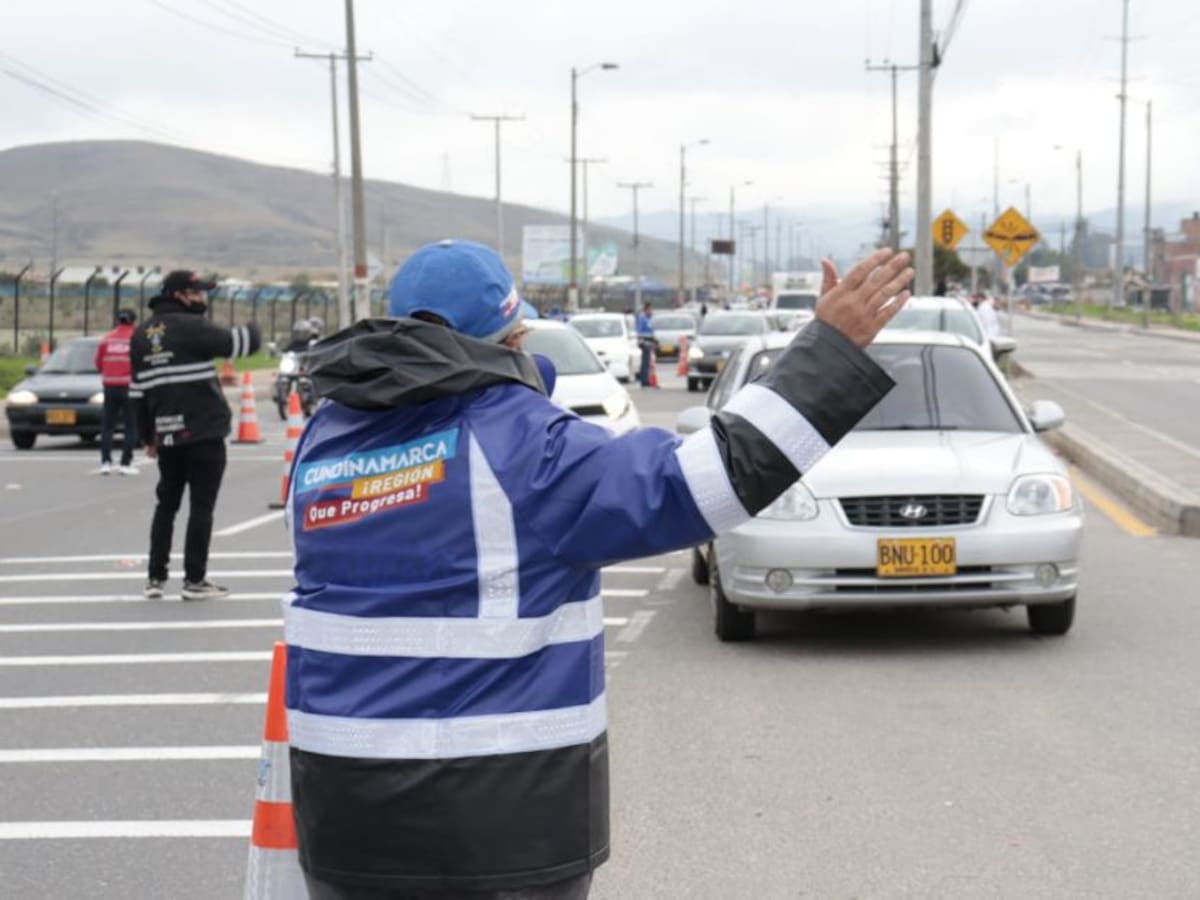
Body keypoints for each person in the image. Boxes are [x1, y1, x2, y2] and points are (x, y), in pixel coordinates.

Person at [284, 239, 914, 899]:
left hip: (344, 818)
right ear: (515, 335)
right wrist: (831, 350)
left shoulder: (325, 439)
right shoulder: (522, 446)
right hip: (499, 827)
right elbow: (709, 479)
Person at [130, 270, 261, 601]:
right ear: (179, 295)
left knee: (167, 505)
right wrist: (254, 323)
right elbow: (243, 344)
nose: (202, 298)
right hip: (204, 431)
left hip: (167, 434)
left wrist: (148, 436)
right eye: (196, 292)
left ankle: (155, 578)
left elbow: (139, 394)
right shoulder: (193, 327)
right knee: (201, 507)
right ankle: (195, 580)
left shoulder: (141, 335)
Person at [94, 308, 139, 475]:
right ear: (133, 321)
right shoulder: (136, 339)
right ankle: (125, 464)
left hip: (109, 386)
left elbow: (98, 363)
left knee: (107, 426)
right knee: (130, 425)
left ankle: (105, 462)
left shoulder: (107, 339)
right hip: (129, 387)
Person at [634, 300, 656, 387]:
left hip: (649, 341)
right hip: (645, 342)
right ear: (646, 309)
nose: (651, 311)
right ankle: (644, 381)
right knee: (645, 362)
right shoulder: (642, 318)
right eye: (650, 309)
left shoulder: (648, 318)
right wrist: (643, 339)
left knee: (647, 362)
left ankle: (646, 379)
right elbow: (640, 331)